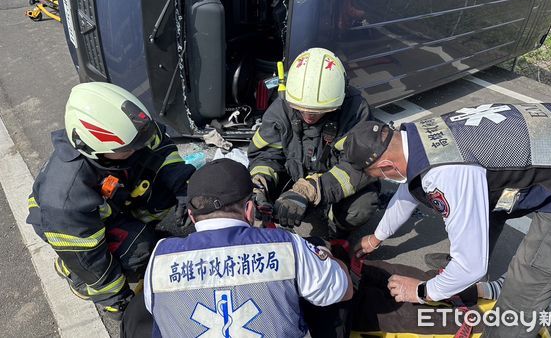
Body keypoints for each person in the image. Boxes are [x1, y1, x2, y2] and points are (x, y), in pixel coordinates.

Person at [345, 103, 551, 337]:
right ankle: (481, 285)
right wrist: (376, 237)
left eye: (374, 175)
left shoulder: (445, 174)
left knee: (524, 289)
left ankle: (528, 306)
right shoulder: (414, 137)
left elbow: (471, 265)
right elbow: (408, 190)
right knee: (480, 208)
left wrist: (422, 292)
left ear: (387, 167)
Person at [27, 82, 195, 316]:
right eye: (128, 149)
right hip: (74, 234)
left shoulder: (130, 132)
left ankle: (137, 233)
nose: (138, 150)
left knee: (163, 194)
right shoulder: (66, 197)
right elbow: (88, 256)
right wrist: (115, 298)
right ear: (91, 147)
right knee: (137, 250)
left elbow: (160, 148)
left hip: (113, 201)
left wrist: (181, 184)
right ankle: (73, 273)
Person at [140, 158, 353, 338]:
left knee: (137, 312)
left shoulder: (161, 256)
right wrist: (325, 255)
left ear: (191, 216)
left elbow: (155, 310)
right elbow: (344, 290)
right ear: (250, 210)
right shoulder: (286, 245)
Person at [248, 47, 379, 238]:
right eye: (301, 110)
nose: (308, 116)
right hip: (293, 178)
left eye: (317, 111)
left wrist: (310, 189)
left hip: (330, 184)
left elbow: (359, 166)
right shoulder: (281, 109)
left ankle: (336, 232)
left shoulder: (355, 111)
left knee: (363, 206)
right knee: (255, 194)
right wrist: (260, 183)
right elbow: (266, 154)